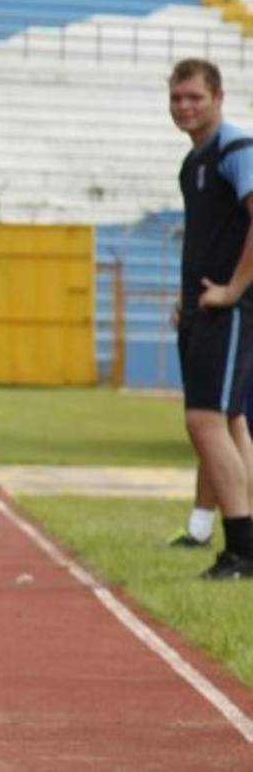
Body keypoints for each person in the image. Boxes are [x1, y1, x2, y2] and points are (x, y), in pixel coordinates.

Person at [163, 57, 253, 580]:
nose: (184, 106)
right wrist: (187, 298)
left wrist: (234, 289)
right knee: (232, 420)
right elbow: (205, 236)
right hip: (204, 307)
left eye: (194, 97)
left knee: (204, 421)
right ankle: (245, 539)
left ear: (218, 98)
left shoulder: (236, 150)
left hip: (232, 308)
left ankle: (241, 550)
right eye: (176, 98)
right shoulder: (192, 162)